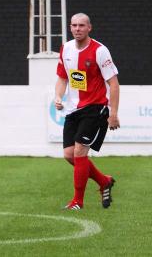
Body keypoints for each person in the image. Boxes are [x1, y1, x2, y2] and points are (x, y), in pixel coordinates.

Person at [55, 13, 120, 210]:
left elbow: (114, 84)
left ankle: (78, 202)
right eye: (74, 25)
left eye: (81, 25)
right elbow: (62, 78)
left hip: (95, 108)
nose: (77, 29)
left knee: (80, 152)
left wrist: (113, 113)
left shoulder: (100, 51)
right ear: (70, 27)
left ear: (89, 27)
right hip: (74, 108)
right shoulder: (65, 48)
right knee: (69, 155)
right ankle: (104, 181)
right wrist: (58, 96)